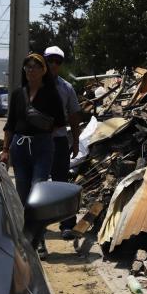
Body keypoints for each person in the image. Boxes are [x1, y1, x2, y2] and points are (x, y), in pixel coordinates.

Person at [0, 53, 66, 259]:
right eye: (27, 67)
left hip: (42, 147)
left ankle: (39, 241)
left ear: (43, 70)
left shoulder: (51, 94)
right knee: (22, 194)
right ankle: (25, 239)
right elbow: (10, 124)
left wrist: (42, 129)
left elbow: (60, 122)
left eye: (35, 67)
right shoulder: (18, 94)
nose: (31, 70)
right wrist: (5, 149)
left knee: (38, 192)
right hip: (20, 147)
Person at [43, 46, 82, 240]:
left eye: (58, 61)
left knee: (61, 183)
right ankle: (38, 226)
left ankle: (67, 224)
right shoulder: (33, 85)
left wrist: (75, 142)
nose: (53, 65)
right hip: (37, 142)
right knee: (38, 184)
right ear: (44, 61)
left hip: (58, 141)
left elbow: (74, 116)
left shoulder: (66, 88)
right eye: (50, 60)